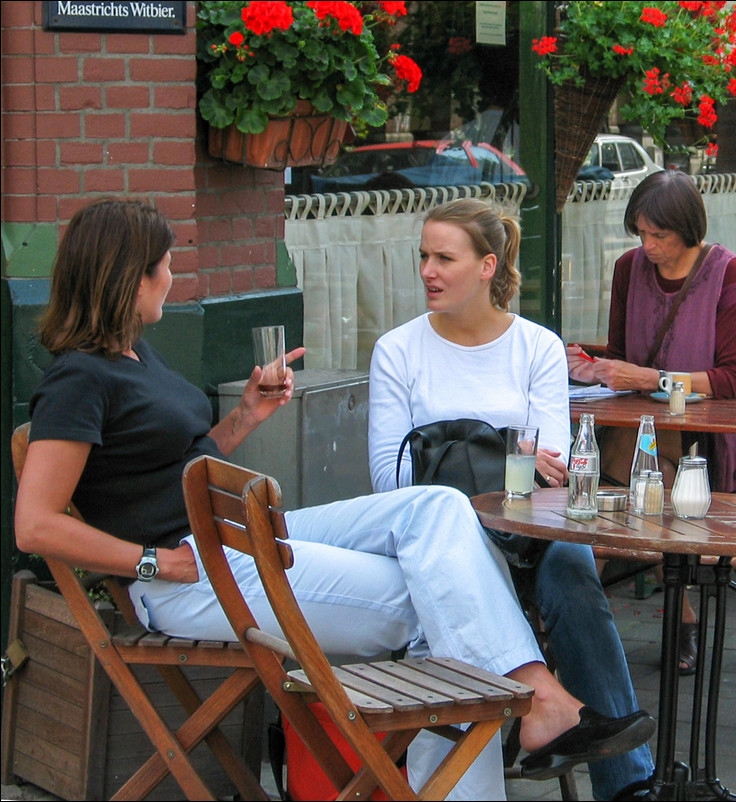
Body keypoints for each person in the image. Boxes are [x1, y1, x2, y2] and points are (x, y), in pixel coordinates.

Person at [13, 199, 653, 801]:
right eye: (165, 264)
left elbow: (173, 465)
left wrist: (244, 419)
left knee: (435, 513)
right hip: (194, 575)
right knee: (446, 594)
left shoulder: (132, 356)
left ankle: (535, 706)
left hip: (238, 538)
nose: (173, 276)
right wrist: (154, 562)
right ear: (130, 277)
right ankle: (538, 703)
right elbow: (35, 526)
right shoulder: (78, 380)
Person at [368, 198, 655, 801]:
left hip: (526, 528)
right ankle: (560, 727)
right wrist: (506, 457)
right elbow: (388, 483)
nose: (428, 271)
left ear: (487, 265)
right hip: (437, 539)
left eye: (444, 257)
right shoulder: (398, 350)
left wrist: (457, 452)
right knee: (500, 564)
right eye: (423, 256)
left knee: (574, 574)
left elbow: (550, 472)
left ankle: (627, 788)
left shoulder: (536, 347)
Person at [565, 170, 736, 675]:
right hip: (642, 421)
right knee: (600, 463)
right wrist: (594, 369)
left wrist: (650, 377)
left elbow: (734, 378)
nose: (648, 246)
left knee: (637, 470)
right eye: (640, 234)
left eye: (658, 235)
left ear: (688, 228)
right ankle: (584, 611)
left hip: (720, 431)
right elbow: (621, 357)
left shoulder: (727, 272)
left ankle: (637, 613)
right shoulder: (628, 268)